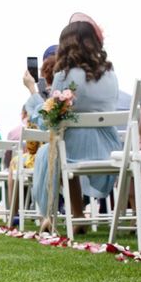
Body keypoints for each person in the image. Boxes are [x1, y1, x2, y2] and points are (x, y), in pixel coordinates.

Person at [31, 14, 121, 233]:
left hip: (74, 151)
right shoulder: (111, 75)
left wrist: (34, 94)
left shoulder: (65, 75)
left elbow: (48, 122)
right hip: (110, 148)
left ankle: (56, 216)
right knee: (63, 146)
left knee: (50, 152)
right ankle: (77, 214)